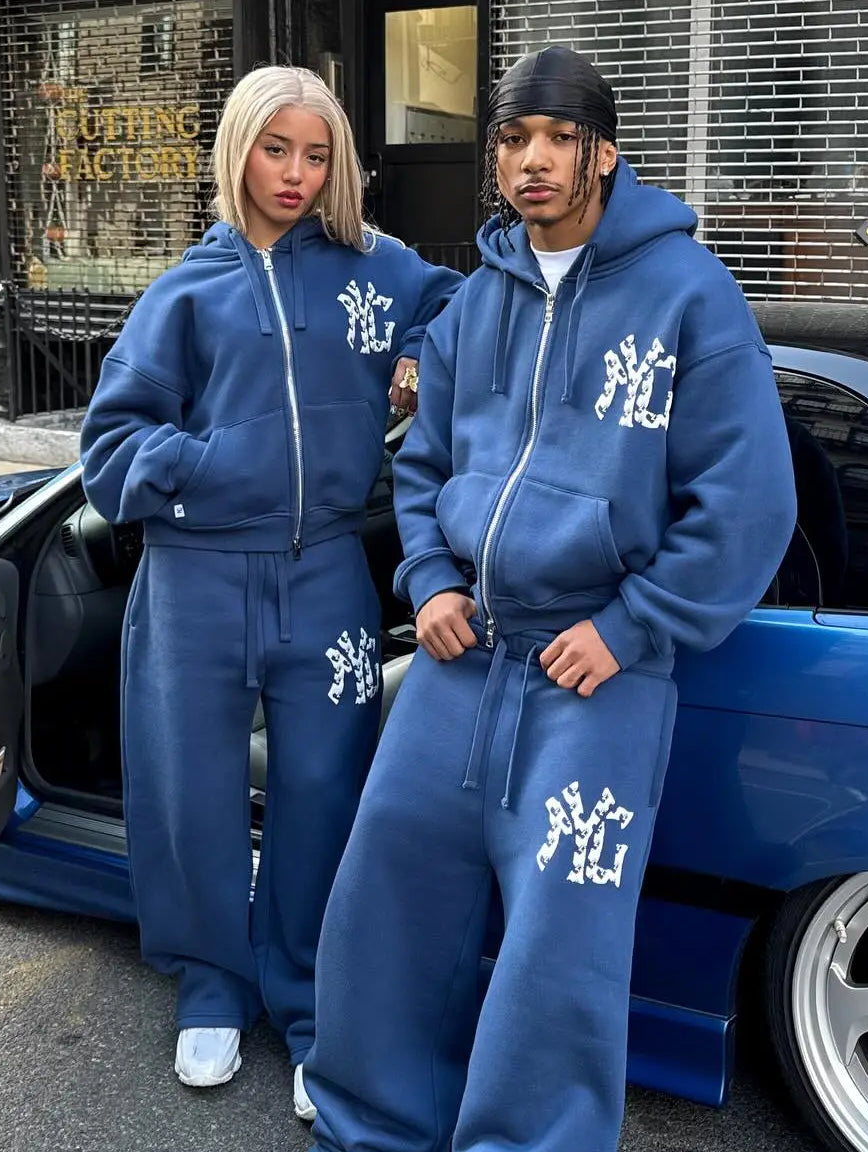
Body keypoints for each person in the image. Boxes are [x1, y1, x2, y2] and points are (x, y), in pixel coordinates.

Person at [303, 45, 797, 1152]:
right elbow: (423, 464)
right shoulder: (477, 301)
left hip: (595, 677)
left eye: (558, 139)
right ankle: (369, 1123)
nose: (533, 160)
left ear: (603, 154)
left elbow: (750, 501)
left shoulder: (690, 294)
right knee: (386, 892)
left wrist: (634, 626)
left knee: (560, 946)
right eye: (514, 139)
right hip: (463, 655)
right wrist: (429, 579)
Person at [78, 65, 462, 1120]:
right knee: (191, 789)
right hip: (195, 579)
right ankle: (211, 982)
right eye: (275, 149)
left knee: (325, 791)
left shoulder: (376, 268)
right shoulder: (183, 293)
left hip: (326, 572)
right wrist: (215, 468)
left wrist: (418, 355)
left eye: (317, 155)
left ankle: (307, 1000)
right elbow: (109, 450)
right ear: (238, 150)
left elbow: (464, 308)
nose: (296, 173)